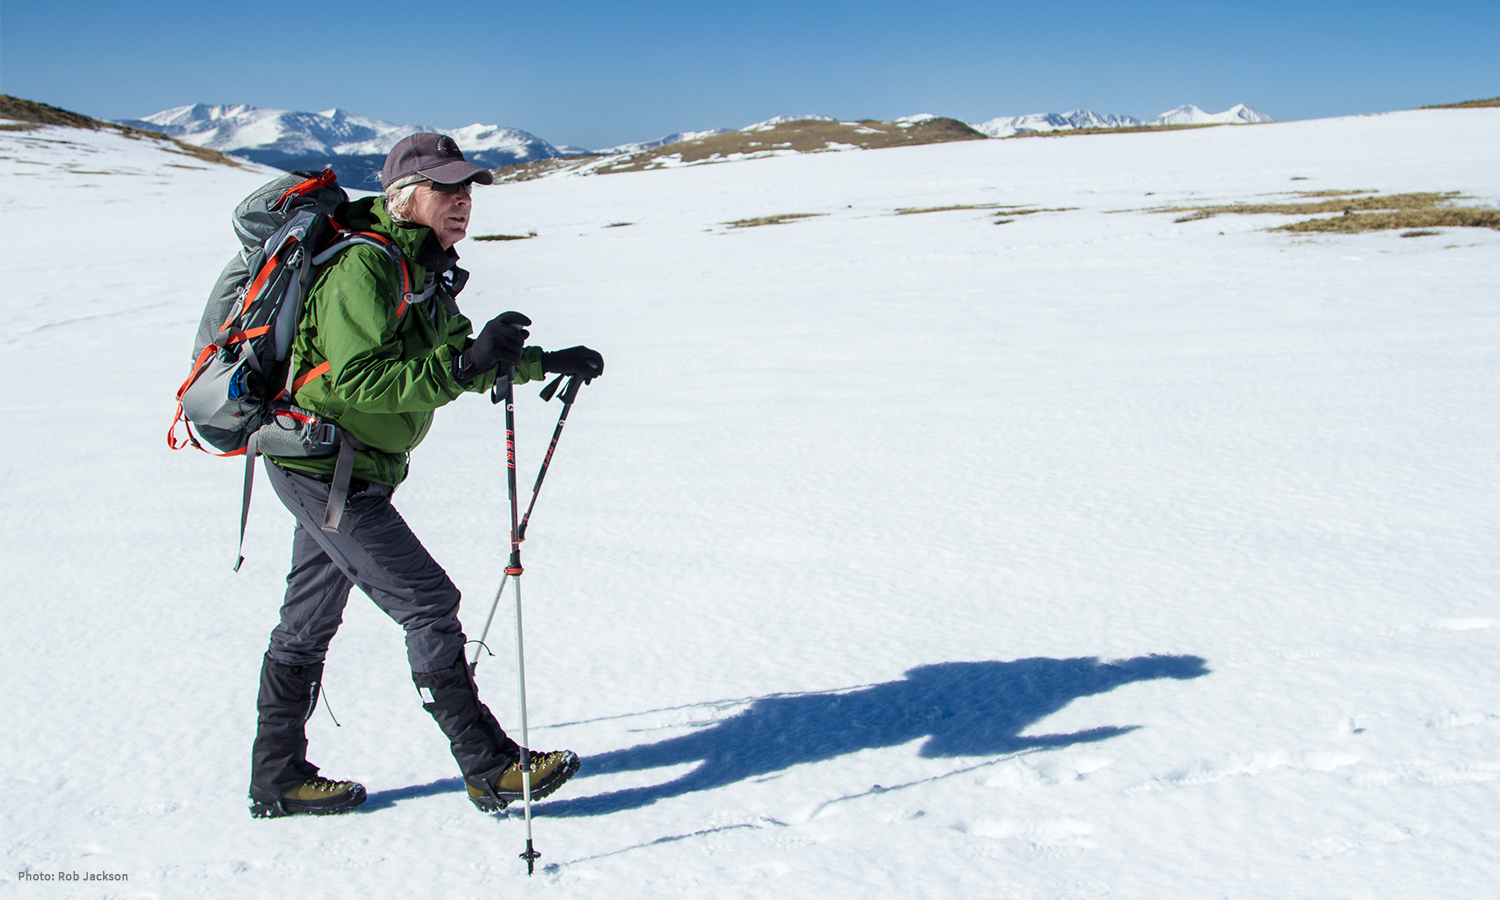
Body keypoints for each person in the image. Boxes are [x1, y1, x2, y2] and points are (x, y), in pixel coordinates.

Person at [247, 133, 604, 819]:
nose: (462, 201)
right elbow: (353, 382)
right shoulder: (365, 268)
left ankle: (277, 779)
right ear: (405, 196)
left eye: (467, 189)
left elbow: (456, 358)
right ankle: (489, 766)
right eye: (447, 189)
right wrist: (466, 366)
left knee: (305, 625)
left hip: (353, 466)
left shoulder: (425, 270)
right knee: (429, 603)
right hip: (324, 466)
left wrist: (544, 362)